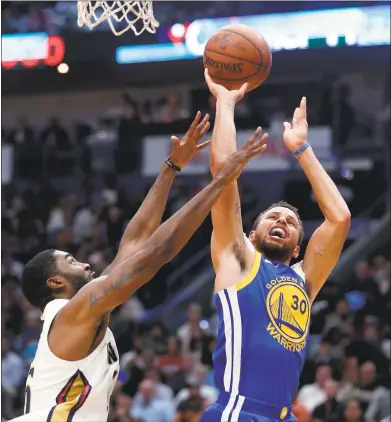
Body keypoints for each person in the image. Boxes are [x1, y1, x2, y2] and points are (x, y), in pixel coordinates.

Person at [10, 113, 268, 422]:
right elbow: (156, 253)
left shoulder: (80, 312)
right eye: (72, 261)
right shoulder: (69, 315)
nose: (86, 263)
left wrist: (170, 168)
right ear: (55, 283)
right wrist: (220, 182)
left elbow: (135, 244)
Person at [201, 69, 351, 422]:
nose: (282, 221)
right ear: (250, 237)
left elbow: (340, 219)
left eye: (292, 222)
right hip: (239, 412)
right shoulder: (237, 259)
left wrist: (302, 149)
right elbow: (223, 173)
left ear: (298, 247)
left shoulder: (304, 281)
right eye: (273, 217)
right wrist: (224, 103)